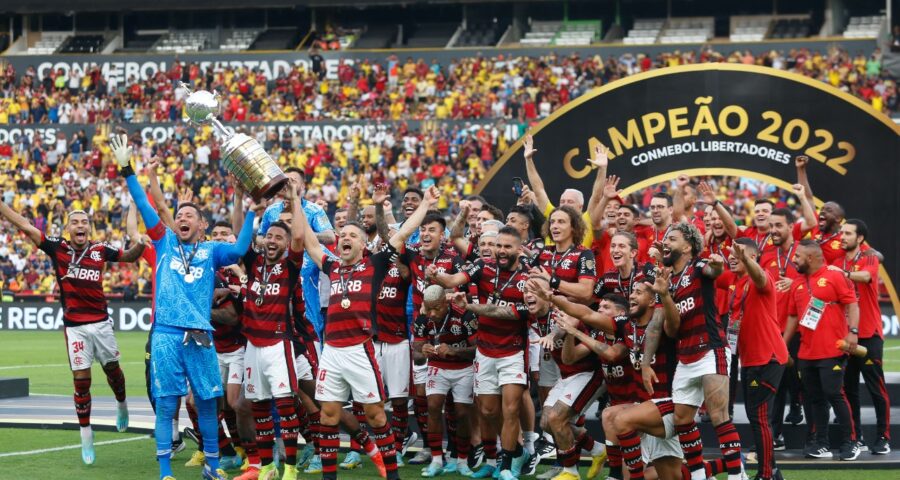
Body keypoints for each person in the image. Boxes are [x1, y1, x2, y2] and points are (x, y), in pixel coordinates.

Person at [111, 133, 258, 480]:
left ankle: (213, 466)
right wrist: (127, 169)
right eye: (180, 214)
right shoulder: (163, 243)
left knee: (208, 403)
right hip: (165, 334)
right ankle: (165, 472)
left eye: (190, 214)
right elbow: (146, 205)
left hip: (201, 335)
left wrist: (251, 214)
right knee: (167, 404)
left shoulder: (211, 251)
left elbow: (238, 251)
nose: (183, 217)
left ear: (203, 224)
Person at [297, 183, 439, 480]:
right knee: (328, 416)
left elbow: (400, 235)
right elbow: (309, 241)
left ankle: (392, 475)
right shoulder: (332, 268)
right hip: (332, 352)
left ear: (363, 245)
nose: (345, 239)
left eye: (352, 236)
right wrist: (295, 203)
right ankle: (329, 477)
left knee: (375, 415)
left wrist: (425, 204)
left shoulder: (373, 265)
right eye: (342, 236)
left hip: (360, 350)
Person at [0, 201, 146, 465]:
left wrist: (142, 245)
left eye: (84, 222)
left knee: (113, 370)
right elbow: (23, 225)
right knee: (82, 380)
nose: (81, 225)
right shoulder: (58, 247)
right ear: (67, 229)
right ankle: (86, 435)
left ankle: (122, 403)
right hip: (75, 326)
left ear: (89, 229)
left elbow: (130, 256)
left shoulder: (100, 250)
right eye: (75, 222)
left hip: (101, 323)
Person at [427, 226, 533, 480]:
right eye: (499, 246)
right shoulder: (483, 267)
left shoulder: (529, 278)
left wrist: (472, 306)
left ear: (519, 249)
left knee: (510, 410)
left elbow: (507, 313)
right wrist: (437, 274)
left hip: (513, 352)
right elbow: (453, 281)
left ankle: (506, 466)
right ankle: (514, 452)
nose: (501, 251)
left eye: (508, 246)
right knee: (487, 411)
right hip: (485, 351)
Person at [643, 222, 744, 480]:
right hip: (685, 357)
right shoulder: (666, 280)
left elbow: (714, 270)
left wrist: (718, 264)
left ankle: (736, 475)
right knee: (682, 420)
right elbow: (670, 329)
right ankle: (699, 476)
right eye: (665, 238)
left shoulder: (698, 266)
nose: (666, 242)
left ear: (687, 246)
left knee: (718, 415)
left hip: (711, 349)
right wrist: (665, 296)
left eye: (672, 238)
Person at [235, 182, 305, 480]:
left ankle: (290, 467)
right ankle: (267, 466)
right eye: (269, 236)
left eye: (279, 237)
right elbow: (240, 236)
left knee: (286, 406)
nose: (273, 240)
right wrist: (242, 201)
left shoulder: (290, 265)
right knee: (258, 406)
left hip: (278, 344)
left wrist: (295, 199)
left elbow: (301, 236)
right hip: (253, 344)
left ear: (286, 244)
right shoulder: (253, 263)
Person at [784, 240, 860, 461]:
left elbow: (853, 304)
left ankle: (851, 442)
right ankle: (822, 444)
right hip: (806, 353)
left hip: (832, 349)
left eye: (797, 256)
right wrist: (782, 344)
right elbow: (792, 317)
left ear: (810, 258)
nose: (794, 260)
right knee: (815, 399)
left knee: (835, 394)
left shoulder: (835, 276)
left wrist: (853, 331)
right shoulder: (797, 284)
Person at [727, 239, 789, 480]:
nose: (732, 257)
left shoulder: (761, 279)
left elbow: (761, 277)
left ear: (751, 257)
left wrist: (746, 259)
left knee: (760, 418)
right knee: (757, 417)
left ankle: (765, 475)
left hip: (768, 358)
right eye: (731, 254)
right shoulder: (738, 283)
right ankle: (773, 471)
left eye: (737, 254)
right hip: (752, 360)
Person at [831, 220, 891, 455]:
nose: (842, 237)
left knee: (877, 389)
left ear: (860, 239)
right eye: (841, 233)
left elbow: (866, 276)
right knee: (849, 389)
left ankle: (884, 437)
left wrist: (843, 273)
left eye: (848, 233)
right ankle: (857, 438)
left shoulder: (869, 257)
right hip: (845, 336)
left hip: (868, 334)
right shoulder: (836, 261)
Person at [412, 285, 477, 476]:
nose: (431, 313)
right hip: (437, 367)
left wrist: (454, 351)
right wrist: (422, 351)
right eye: (428, 307)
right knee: (432, 406)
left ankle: (463, 461)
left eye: (436, 308)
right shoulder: (422, 318)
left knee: (462, 413)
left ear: (445, 303)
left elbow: (478, 349)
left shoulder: (465, 316)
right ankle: (436, 460)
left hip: (463, 368)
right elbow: (417, 355)